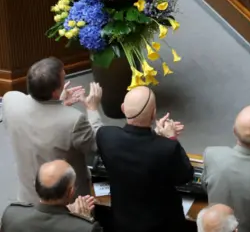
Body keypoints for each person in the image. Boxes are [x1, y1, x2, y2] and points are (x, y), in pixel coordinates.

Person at [2, 57, 103, 203]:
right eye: (63, 78)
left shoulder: (10, 100)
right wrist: (92, 109)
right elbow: (96, 145)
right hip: (66, 202)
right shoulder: (74, 121)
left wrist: (59, 104)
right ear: (56, 92)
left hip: (27, 197)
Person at [95, 86, 193, 232]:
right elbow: (185, 175)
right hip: (163, 226)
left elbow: (139, 147)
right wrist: (169, 138)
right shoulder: (167, 148)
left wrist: (158, 136)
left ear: (123, 108)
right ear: (153, 115)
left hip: (123, 222)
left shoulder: (106, 136)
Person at [0, 159, 101, 231]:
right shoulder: (86, 228)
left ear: (35, 185)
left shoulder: (11, 214)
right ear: (71, 192)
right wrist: (83, 220)